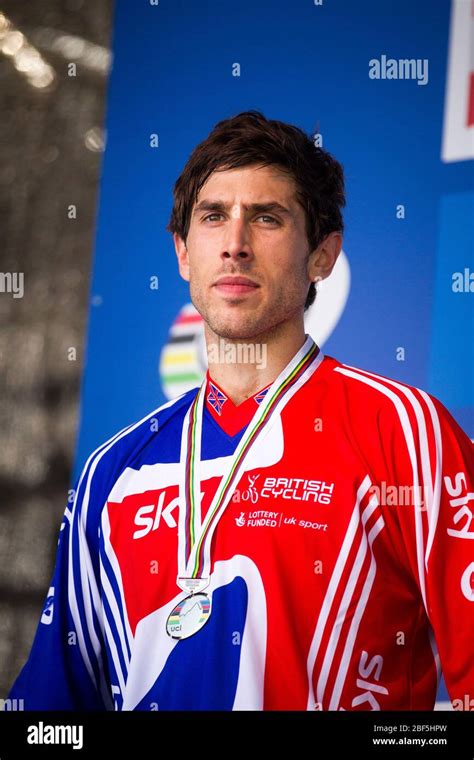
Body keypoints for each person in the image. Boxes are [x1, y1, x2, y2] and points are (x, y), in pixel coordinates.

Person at [7, 110, 474, 711]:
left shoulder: (407, 432)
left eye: (267, 218)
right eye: (213, 217)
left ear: (323, 256)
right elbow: (52, 711)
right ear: (182, 252)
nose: (235, 244)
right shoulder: (110, 471)